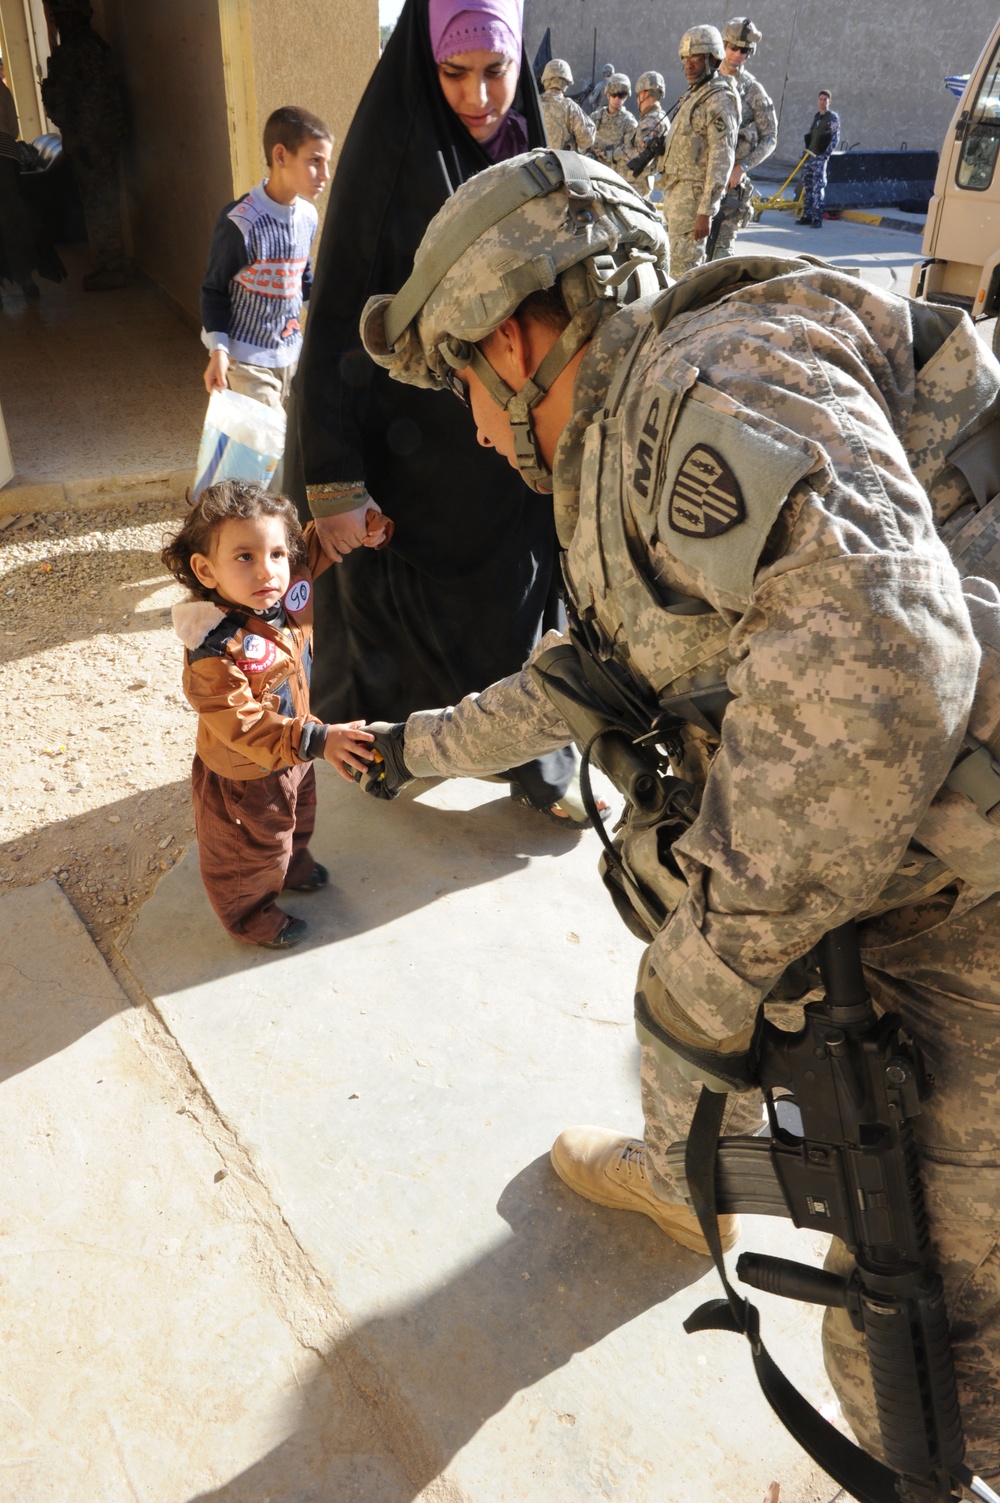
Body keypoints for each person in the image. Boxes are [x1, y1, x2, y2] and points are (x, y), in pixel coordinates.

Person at [355, 147, 1000, 1474]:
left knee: (922, 1358)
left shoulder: (705, 382)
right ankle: (693, 1157)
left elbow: (884, 658)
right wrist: (407, 752)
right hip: (925, 864)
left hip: (977, 908)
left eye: (470, 386)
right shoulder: (621, 452)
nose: (477, 428)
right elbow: (583, 678)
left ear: (526, 331)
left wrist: (704, 977)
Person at [289, 0, 582, 825]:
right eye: (456, 74)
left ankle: (535, 760)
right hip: (403, 448)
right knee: (397, 622)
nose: (481, 96)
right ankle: (394, 752)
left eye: (497, 71)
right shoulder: (389, 156)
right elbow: (339, 315)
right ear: (425, 64)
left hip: (507, 441)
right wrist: (336, 477)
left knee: (522, 602)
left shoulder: (530, 139)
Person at [161, 480, 377, 950]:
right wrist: (318, 740)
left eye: (277, 554)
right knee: (247, 852)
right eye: (245, 557)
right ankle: (248, 915)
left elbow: (321, 543)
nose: (268, 572)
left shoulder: (283, 592)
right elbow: (242, 723)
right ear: (206, 569)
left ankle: (292, 864)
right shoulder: (213, 649)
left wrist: (362, 524)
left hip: (294, 748)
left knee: (297, 817)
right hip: (245, 775)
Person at [201, 106, 333, 422]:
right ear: (281, 156)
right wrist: (218, 350)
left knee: (277, 454)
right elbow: (214, 290)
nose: (325, 174)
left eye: (327, 163)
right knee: (267, 447)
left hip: (291, 357)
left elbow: (303, 276)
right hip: (246, 361)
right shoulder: (240, 222)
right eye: (315, 161)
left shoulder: (308, 217)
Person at [40, 0, 126, 290]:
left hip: (95, 140)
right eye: (56, 15)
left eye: (63, 14)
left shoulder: (87, 48)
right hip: (83, 138)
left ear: (79, 14)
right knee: (95, 203)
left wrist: (86, 141)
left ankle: (114, 267)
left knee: (103, 203)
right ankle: (108, 264)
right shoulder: (71, 49)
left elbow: (95, 98)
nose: (59, 20)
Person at [652, 27, 737, 277]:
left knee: (684, 270)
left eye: (697, 60)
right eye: (686, 60)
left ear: (713, 60)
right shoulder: (694, 95)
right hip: (677, 195)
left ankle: (684, 315)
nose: (689, 66)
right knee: (673, 265)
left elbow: (722, 157)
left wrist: (706, 212)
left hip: (693, 202)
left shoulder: (718, 99)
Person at [711, 17, 776, 259]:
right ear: (724, 45)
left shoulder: (753, 91)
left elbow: (771, 137)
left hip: (729, 189)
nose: (739, 54)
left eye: (745, 50)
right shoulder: (707, 82)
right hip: (698, 184)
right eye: (734, 47)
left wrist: (742, 167)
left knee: (720, 258)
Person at [0, 59, 39, 299]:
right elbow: (13, 132)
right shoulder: (2, 91)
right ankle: (26, 279)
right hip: (5, 155)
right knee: (13, 218)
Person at [615, 70, 669, 199]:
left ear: (644, 93)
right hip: (639, 185)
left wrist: (619, 152)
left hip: (635, 186)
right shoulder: (660, 117)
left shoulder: (650, 120)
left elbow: (641, 155)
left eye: (638, 95)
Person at [799, 88, 840, 226]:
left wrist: (825, 156)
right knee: (808, 186)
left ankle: (817, 218)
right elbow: (812, 136)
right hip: (809, 157)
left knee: (818, 188)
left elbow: (835, 138)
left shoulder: (832, 117)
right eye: (820, 99)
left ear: (829, 102)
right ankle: (807, 215)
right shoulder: (817, 116)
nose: (822, 102)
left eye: (825, 100)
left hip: (819, 158)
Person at [539, 59, 595, 153]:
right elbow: (587, 140)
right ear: (566, 83)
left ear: (545, 80)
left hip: (532, 163)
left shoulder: (535, 103)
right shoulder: (570, 107)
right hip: (560, 164)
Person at [588, 72, 637, 173]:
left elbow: (630, 152)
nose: (616, 99)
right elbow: (583, 142)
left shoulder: (629, 122)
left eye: (621, 95)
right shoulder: (595, 117)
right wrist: (589, 155)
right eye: (613, 94)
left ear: (626, 96)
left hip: (615, 176)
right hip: (594, 172)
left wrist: (609, 155)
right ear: (607, 95)